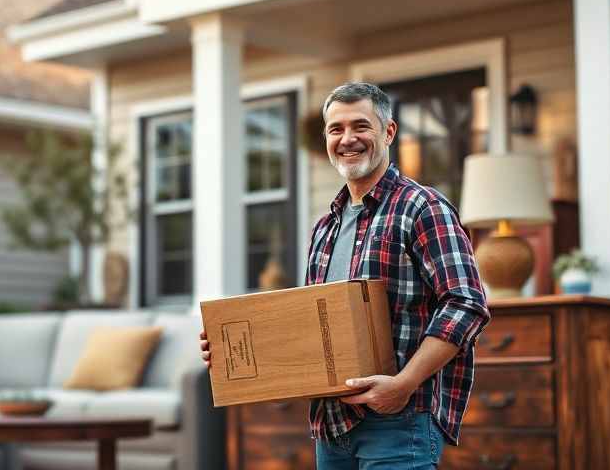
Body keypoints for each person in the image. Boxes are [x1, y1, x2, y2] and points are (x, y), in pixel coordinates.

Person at [200, 82, 490, 469]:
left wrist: (403, 384)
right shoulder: (325, 228)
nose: (347, 139)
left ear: (388, 132)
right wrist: (235, 351)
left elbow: (466, 303)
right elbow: (314, 330)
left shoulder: (423, 207)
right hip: (331, 427)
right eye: (336, 129)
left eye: (361, 126)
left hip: (399, 422)